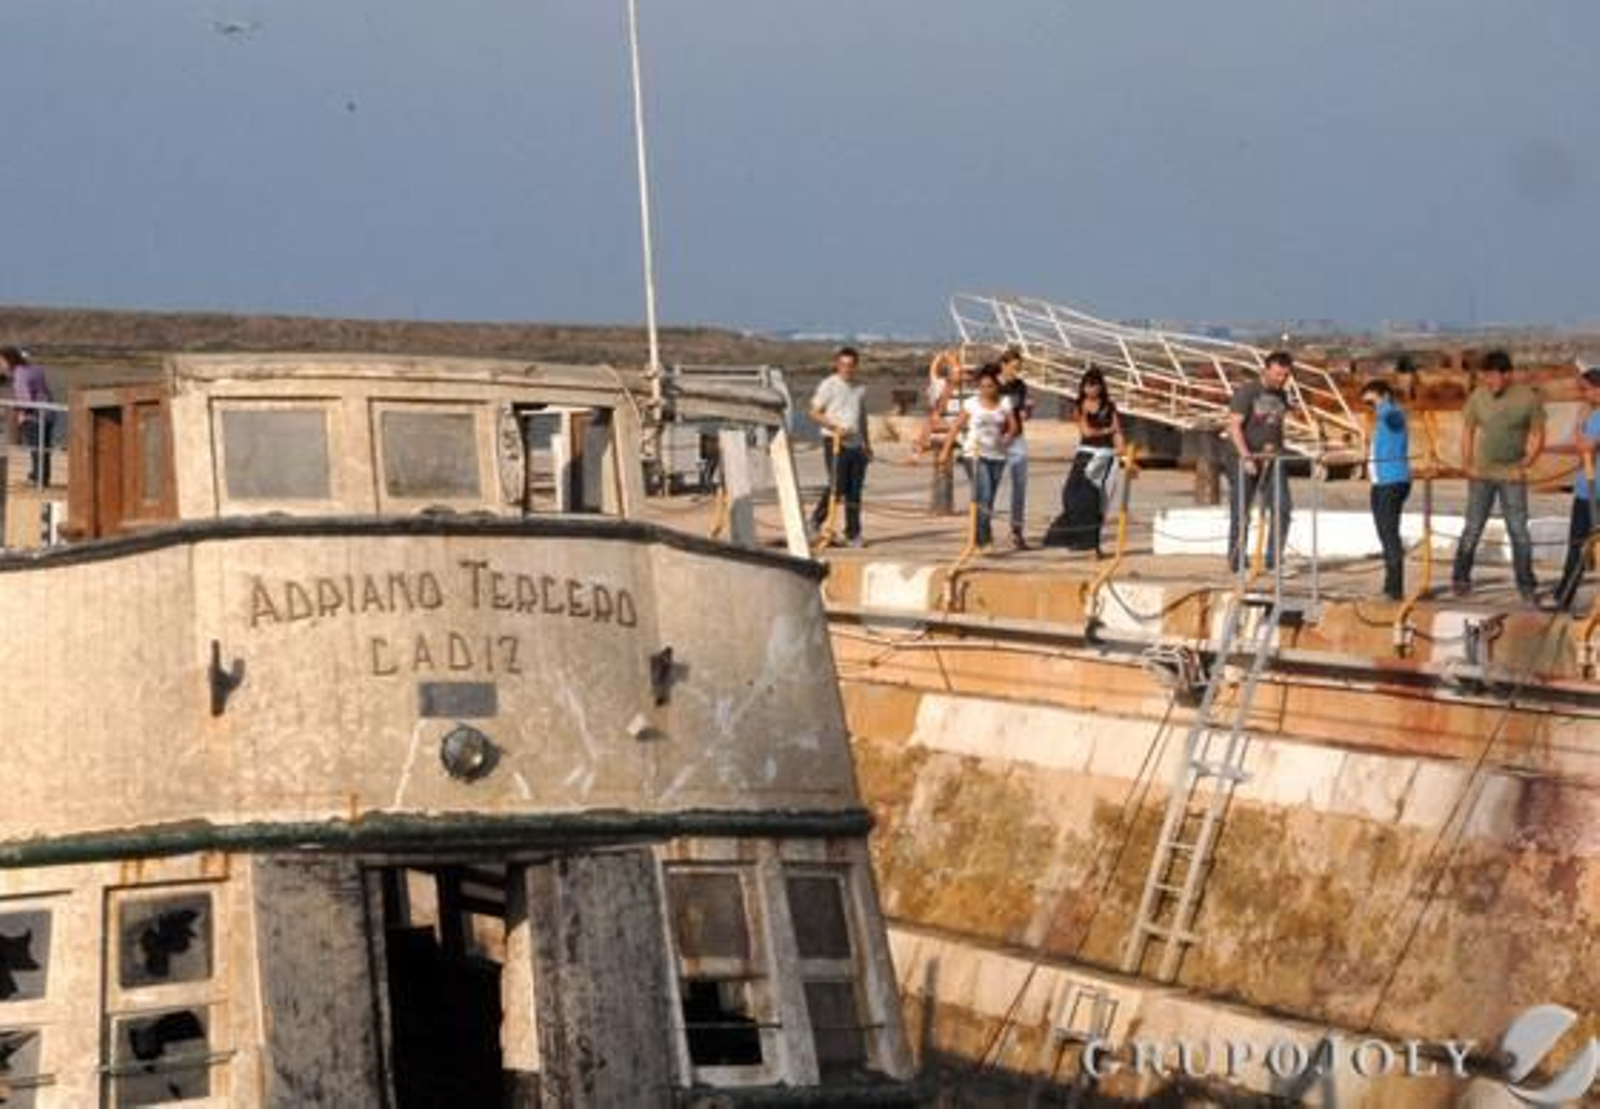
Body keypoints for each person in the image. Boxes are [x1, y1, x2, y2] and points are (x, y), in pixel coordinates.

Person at [1451, 349, 1544, 601]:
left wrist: (1524, 466)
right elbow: (1468, 431)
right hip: (1481, 475)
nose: (1488, 382)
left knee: (1518, 530)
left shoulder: (1528, 398)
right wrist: (1467, 464)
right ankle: (1460, 578)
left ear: (1507, 375)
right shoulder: (1477, 397)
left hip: (1512, 476)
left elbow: (1538, 436)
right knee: (1472, 527)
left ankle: (1526, 584)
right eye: (1485, 376)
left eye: (1492, 376)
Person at [1225, 351, 1297, 572]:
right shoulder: (1247, 392)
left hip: (1272, 459)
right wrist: (1246, 456)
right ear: (1266, 370)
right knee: (1242, 510)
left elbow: (1276, 424)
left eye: (1285, 375)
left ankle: (1274, 559)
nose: (1281, 379)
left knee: (1282, 507)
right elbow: (1234, 426)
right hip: (1245, 458)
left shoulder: (1283, 395)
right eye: (1277, 374)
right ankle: (1237, 559)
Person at [1045, 367, 1125, 553]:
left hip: (1105, 455)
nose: (1091, 389)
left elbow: (1118, 431)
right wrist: (1108, 430)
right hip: (1085, 453)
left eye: (1095, 385)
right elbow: (1086, 431)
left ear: (1101, 386)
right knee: (1070, 495)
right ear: (1083, 387)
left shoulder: (1109, 406)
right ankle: (1072, 536)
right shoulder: (1079, 406)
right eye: (1088, 385)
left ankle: (1090, 542)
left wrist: (1121, 449)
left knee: (1093, 499)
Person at [940, 364, 1016, 550]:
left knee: (987, 500)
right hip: (974, 454)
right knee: (985, 493)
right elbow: (956, 427)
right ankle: (984, 540)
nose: (985, 390)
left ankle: (978, 535)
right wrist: (945, 451)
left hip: (997, 456)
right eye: (982, 386)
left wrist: (1007, 437)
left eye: (989, 386)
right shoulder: (971, 403)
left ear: (996, 386)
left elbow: (1013, 426)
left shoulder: (1005, 403)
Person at [808, 347, 872, 546]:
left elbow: (861, 417)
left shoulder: (860, 388)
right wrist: (835, 427)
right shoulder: (829, 385)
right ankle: (815, 521)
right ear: (837, 365)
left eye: (851, 365)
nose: (847, 369)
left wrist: (867, 444)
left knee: (855, 490)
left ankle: (853, 533)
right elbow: (814, 412)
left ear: (856, 366)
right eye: (843, 365)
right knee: (838, 484)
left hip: (856, 444)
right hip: (835, 441)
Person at [1551, 365, 1600, 611]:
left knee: (1578, 547)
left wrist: (1581, 421)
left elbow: (1585, 447)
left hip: (1592, 493)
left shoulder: (1596, 417)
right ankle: (1564, 593)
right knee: (1581, 547)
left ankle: (1564, 596)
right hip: (1587, 488)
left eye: (1587, 390)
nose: (1584, 395)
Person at [1361, 380, 1412, 600]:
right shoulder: (1382, 419)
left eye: (1372, 401)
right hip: (1381, 483)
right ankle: (1390, 586)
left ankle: (1394, 589)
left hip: (1392, 483)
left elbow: (1393, 416)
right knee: (1385, 533)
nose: (1371, 407)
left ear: (1385, 396)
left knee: (1389, 535)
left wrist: (1382, 404)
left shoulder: (1394, 415)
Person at [996, 347, 1033, 548]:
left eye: (1018, 368)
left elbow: (1020, 413)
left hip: (1017, 439)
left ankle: (1017, 532)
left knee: (1020, 486)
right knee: (989, 486)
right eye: (1013, 367)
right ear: (1003, 365)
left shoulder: (1020, 386)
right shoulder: (991, 384)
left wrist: (1027, 412)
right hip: (996, 440)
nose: (1015, 372)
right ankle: (982, 532)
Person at [2, 347, 53, 486]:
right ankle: (43, 477)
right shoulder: (35, 369)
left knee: (36, 449)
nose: (1, 365)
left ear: (8, 360)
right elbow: (44, 390)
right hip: (48, 412)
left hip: (34, 416)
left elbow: (25, 399)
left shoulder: (20, 374)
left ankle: (38, 479)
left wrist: (21, 413)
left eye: (1, 361)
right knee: (44, 448)